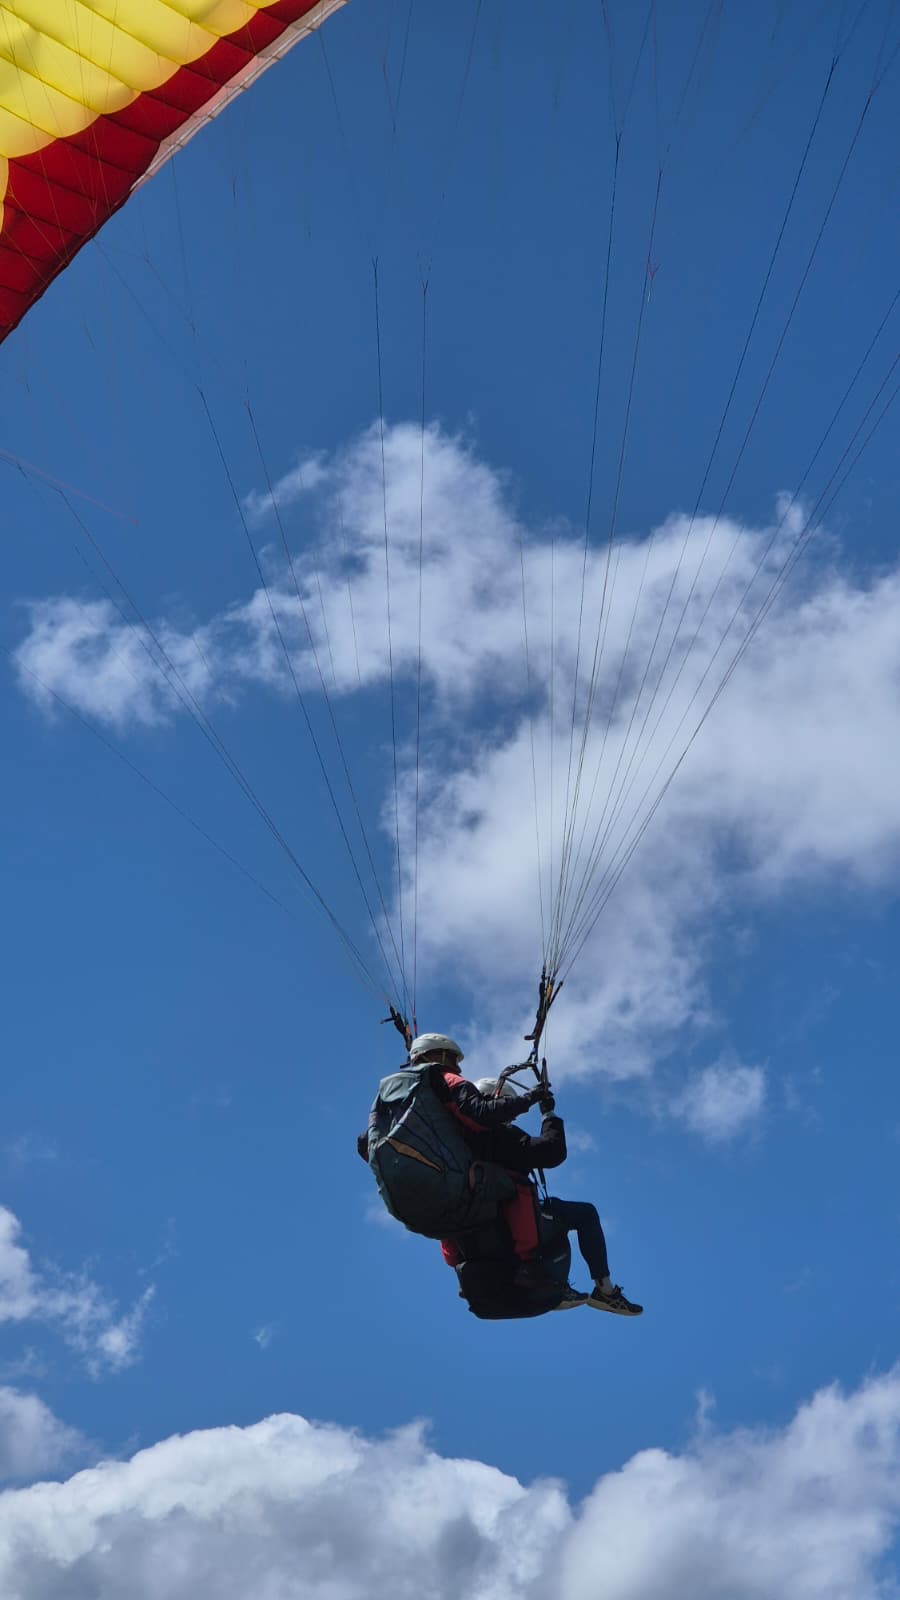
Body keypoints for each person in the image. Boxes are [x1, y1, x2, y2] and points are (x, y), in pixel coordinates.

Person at [408, 1033, 642, 1318]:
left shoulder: (453, 1141)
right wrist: (548, 1113)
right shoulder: (499, 1135)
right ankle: (605, 1290)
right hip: (505, 1224)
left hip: (474, 1239)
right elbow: (553, 1152)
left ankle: (552, 1286)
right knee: (583, 1213)